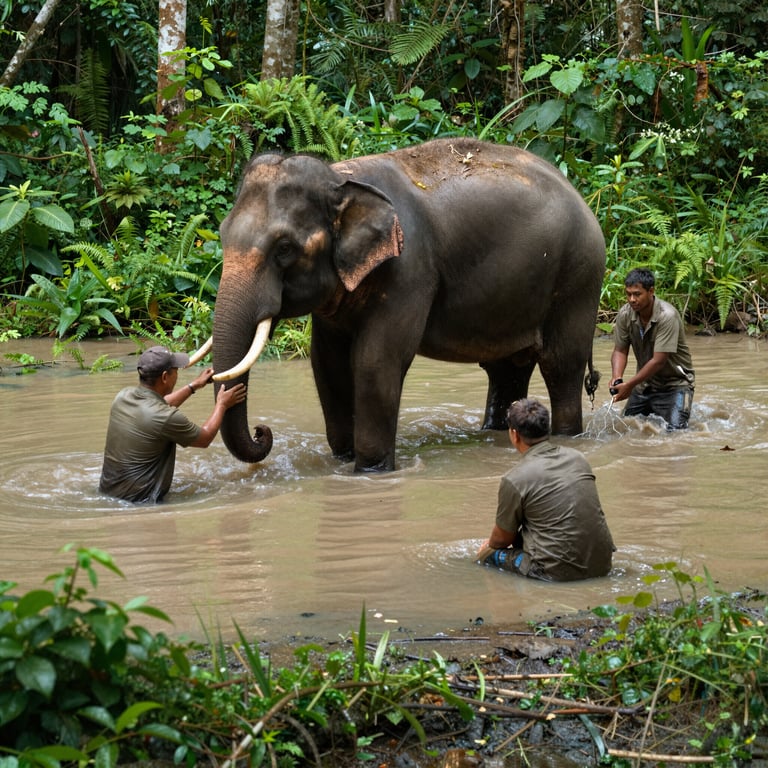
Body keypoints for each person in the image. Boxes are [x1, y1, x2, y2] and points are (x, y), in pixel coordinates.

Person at [476, 398, 614, 581]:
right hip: (602, 565)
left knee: (485, 555)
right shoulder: (578, 458)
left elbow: (501, 539)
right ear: (547, 429)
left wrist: (487, 546)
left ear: (514, 434)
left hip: (553, 573)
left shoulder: (514, 478)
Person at [100, 345, 246, 503]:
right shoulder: (165, 417)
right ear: (164, 377)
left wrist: (193, 386)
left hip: (109, 494)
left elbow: (160, 405)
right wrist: (222, 405)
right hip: (140, 504)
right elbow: (205, 438)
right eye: (176, 370)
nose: (177, 374)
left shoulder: (123, 396)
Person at [610, 267, 695, 429]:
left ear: (651, 291)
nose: (632, 299)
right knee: (623, 428)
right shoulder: (625, 314)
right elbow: (620, 350)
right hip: (644, 385)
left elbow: (658, 361)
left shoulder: (667, 316)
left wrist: (628, 386)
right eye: (628, 294)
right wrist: (617, 378)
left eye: (637, 294)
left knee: (676, 434)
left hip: (676, 385)